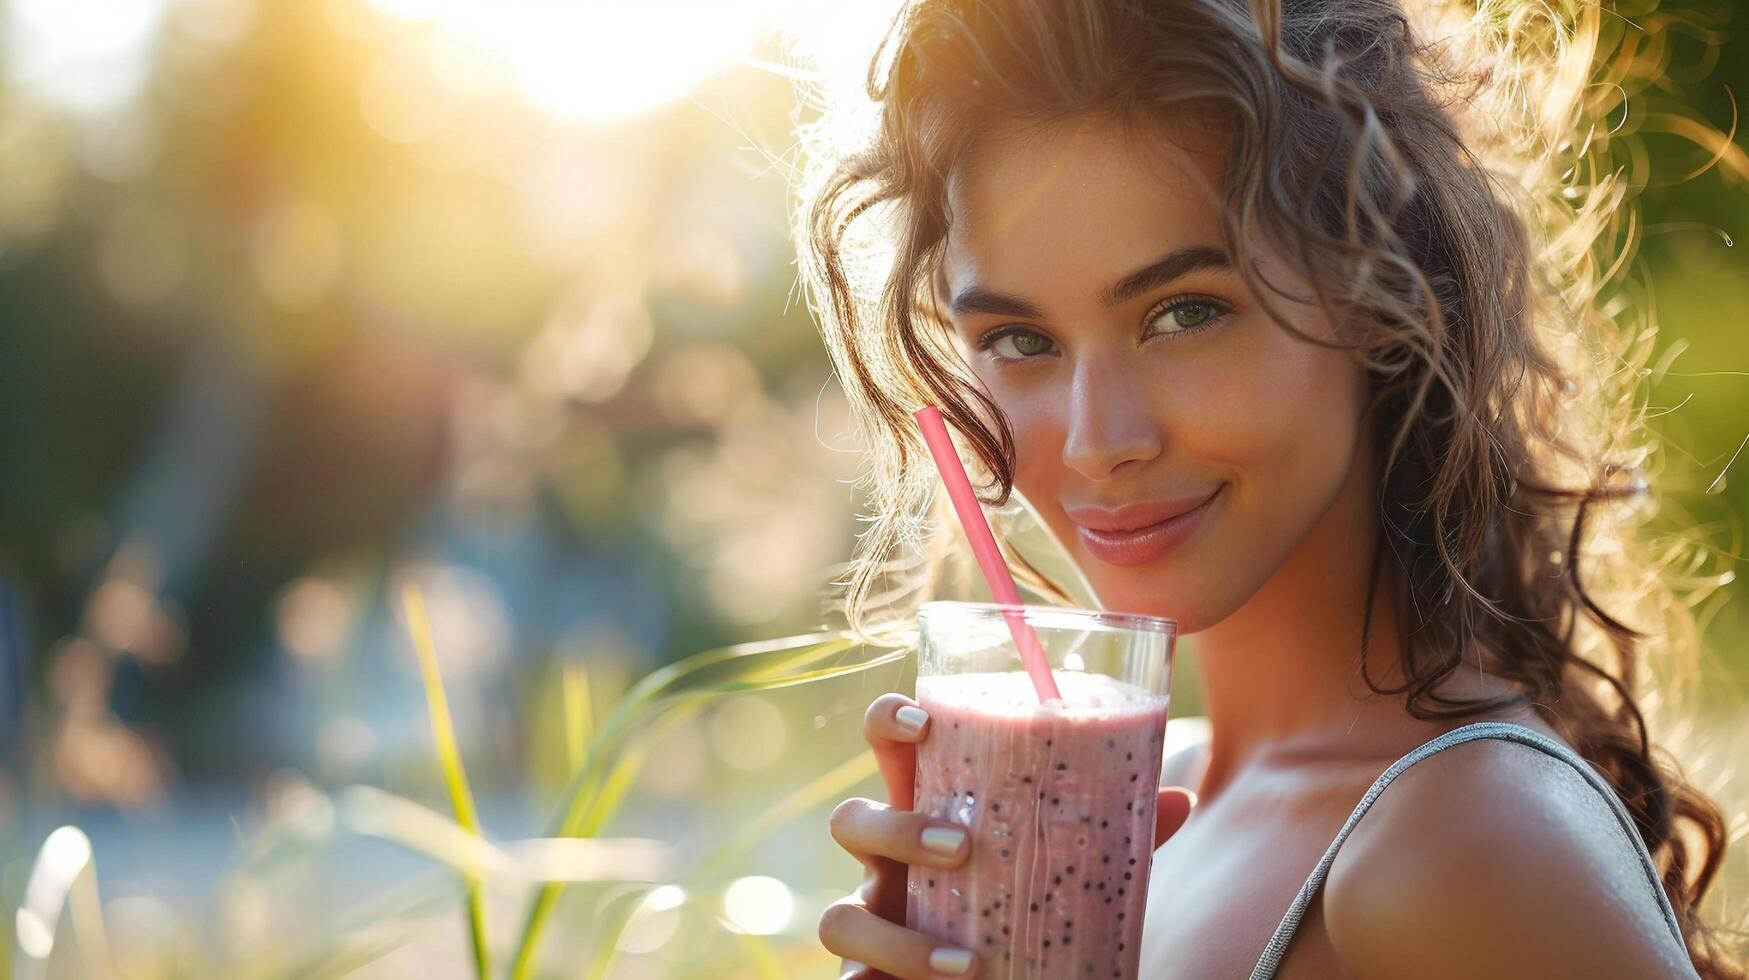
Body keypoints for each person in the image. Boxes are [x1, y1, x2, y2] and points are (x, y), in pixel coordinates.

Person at [790, 0, 1746, 977]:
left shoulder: (1467, 849)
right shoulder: (1127, 811)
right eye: (1021, 342)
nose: (1096, 441)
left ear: (1380, 294)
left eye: (1184, 313)